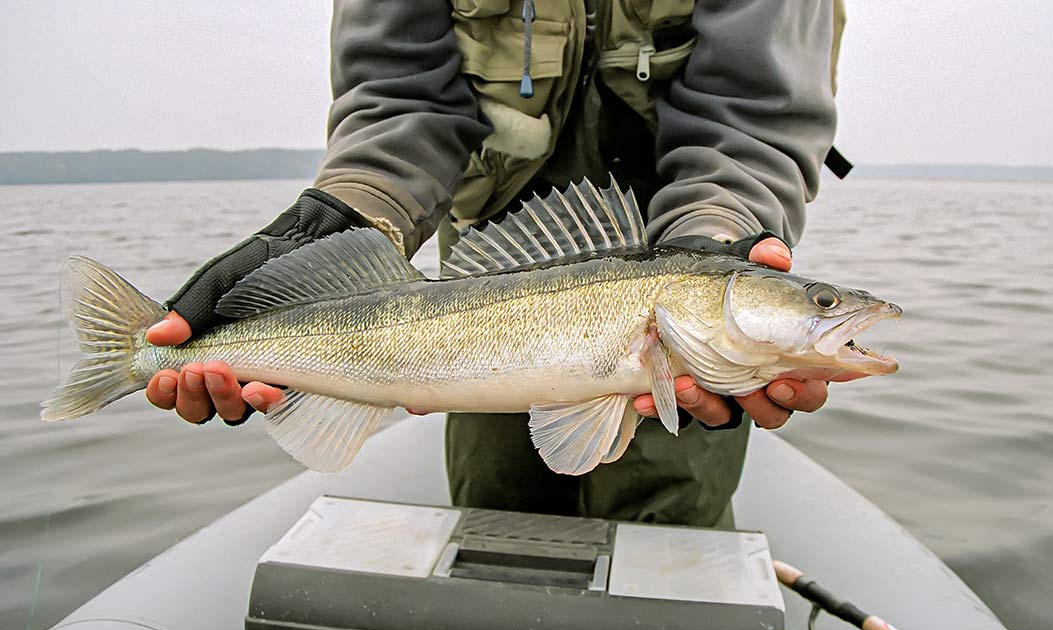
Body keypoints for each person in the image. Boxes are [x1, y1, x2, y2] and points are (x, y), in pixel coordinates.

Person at [144, 0, 845, 528]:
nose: (830, 311)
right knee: (495, 509)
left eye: (822, 303)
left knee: (670, 509)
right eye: (823, 303)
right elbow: (400, 92)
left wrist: (718, 233)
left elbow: (756, 106)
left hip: (687, 231)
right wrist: (349, 213)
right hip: (488, 258)